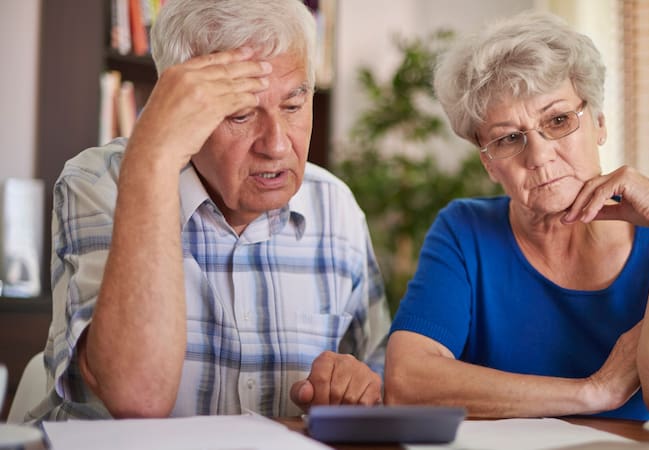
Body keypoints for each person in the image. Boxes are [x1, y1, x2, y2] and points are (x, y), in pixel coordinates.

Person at [28, 0, 390, 421]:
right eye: (240, 114)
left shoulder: (335, 205)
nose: (276, 144)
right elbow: (136, 397)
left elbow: (381, 376)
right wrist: (153, 156)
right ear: (178, 106)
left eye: (293, 106)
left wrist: (357, 385)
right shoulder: (99, 182)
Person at [384, 11, 649, 421]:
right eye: (509, 138)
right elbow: (407, 383)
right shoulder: (464, 232)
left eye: (559, 120)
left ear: (599, 124)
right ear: (490, 164)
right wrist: (592, 392)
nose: (540, 156)